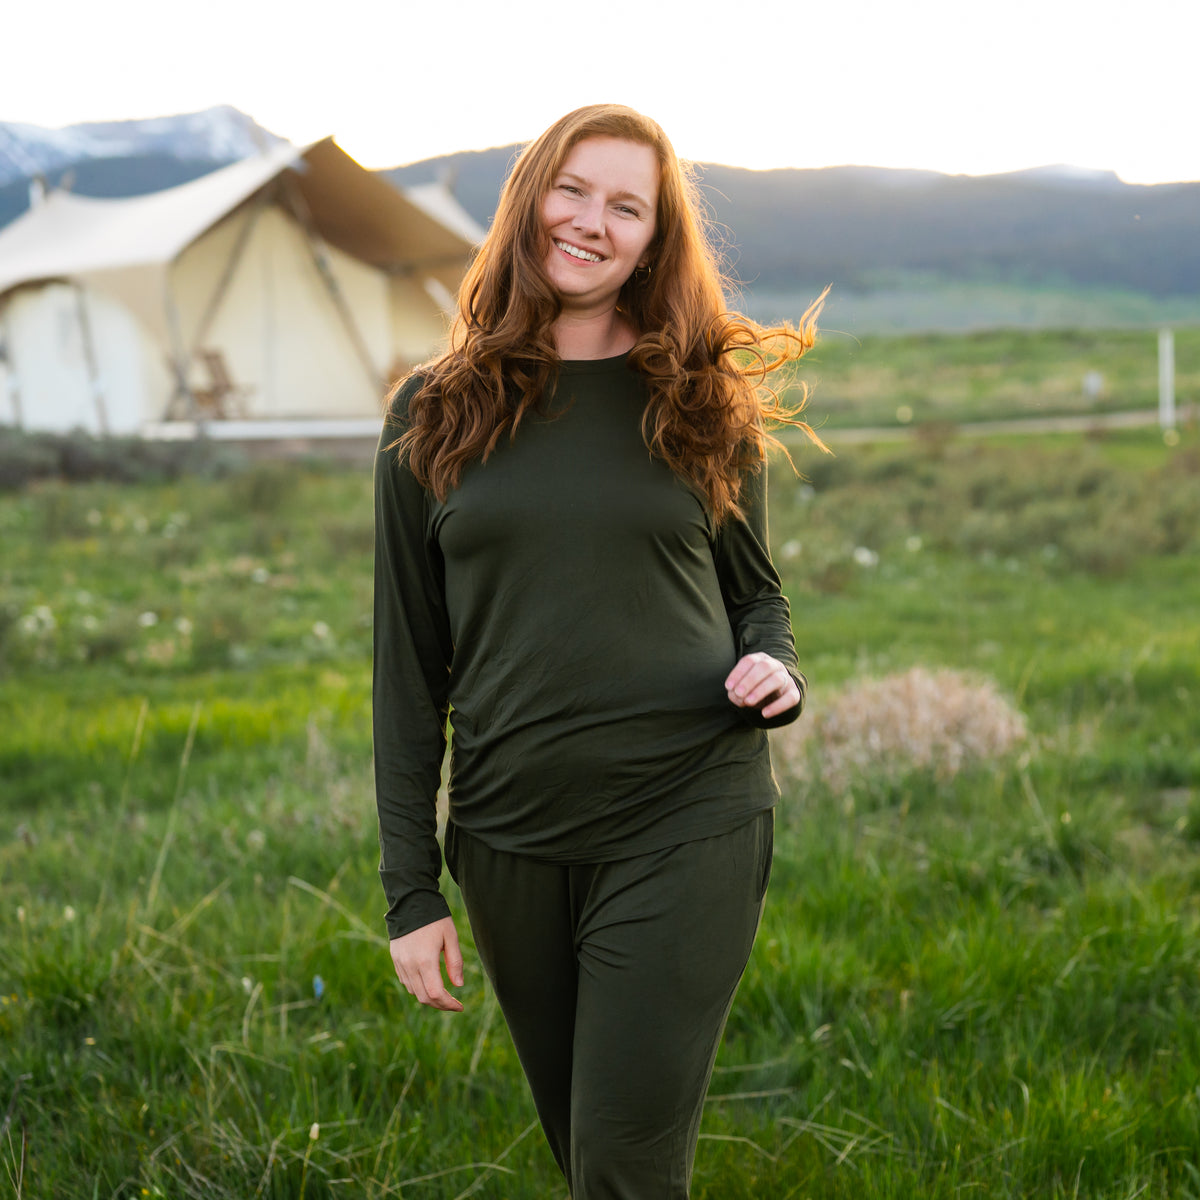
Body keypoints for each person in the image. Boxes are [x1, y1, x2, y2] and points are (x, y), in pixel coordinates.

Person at [373, 103, 825, 1199]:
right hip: (509, 838)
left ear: (655, 238)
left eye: (627, 206)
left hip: (684, 816)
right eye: (573, 190)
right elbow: (406, 667)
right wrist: (410, 890)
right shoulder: (431, 413)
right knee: (591, 1156)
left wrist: (780, 672)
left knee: (622, 1169)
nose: (591, 222)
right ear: (530, 199)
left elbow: (758, 599)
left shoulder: (698, 397)